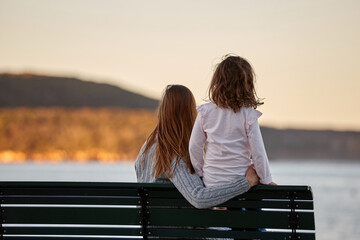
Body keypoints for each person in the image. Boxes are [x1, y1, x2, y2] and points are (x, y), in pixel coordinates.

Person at [135, 84, 259, 209]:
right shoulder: (174, 156)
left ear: (162, 111)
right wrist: (246, 182)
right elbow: (198, 198)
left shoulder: (146, 149)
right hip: (179, 227)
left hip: (150, 226)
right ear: (189, 113)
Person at [189, 55, 276, 188]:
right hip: (241, 183)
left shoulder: (205, 112)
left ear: (217, 82)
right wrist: (266, 179)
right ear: (247, 84)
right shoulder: (248, 115)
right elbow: (258, 153)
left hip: (211, 183)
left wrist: (201, 172)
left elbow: (194, 147)